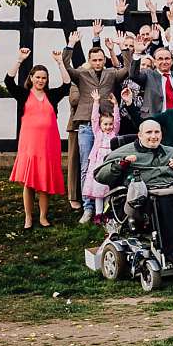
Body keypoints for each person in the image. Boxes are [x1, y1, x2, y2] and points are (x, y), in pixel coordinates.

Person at [61, 29, 130, 223]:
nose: (98, 63)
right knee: (86, 166)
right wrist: (70, 45)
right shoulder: (82, 75)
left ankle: (107, 206)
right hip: (86, 125)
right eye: (95, 60)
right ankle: (88, 207)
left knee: (108, 165)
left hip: (107, 126)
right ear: (90, 60)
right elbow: (67, 66)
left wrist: (123, 47)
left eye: (101, 59)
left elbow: (127, 69)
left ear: (104, 60)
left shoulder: (111, 74)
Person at [6, 51, 67, 228]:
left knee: (44, 182)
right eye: (38, 77)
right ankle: (28, 217)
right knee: (29, 182)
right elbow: (8, 81)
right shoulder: (23, 95)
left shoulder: (52, 96)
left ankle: (42, 216)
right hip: (29, 144)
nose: (41, 80)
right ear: (31, 78)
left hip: (49, 144)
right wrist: (19, 60)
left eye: (44, 78)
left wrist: (59, 62)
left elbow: (67, 84)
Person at [94, 118, 173, 190]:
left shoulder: (168, 151)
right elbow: (100, 176)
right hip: (142, 191)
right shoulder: (124, 151)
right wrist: (121, 164)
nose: (154, 136)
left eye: (157, 132)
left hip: (169, 188)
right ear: (140, 135)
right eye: (149, 132)